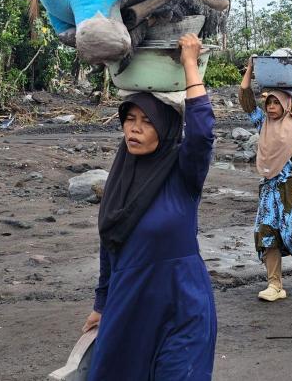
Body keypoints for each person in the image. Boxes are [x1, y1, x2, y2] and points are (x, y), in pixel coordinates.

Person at [83, 34, 217, 379]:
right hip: (129, 303)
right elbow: (109, 246)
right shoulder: (120, 182)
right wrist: (101, 304)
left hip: (181, 303)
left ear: (166, 127)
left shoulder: (182, 174)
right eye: (130, 119)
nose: (136, 129)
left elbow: (201, 134)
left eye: (147, 121)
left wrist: (189, 63)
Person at [239, 57, 292, 302]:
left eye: (276, 102)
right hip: (269, 189)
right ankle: (275, 285)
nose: (270, 107)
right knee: (267, 234)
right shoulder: (263, 124)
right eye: (268, 102)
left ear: (287, 104)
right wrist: (250, 70)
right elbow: (245, 100)